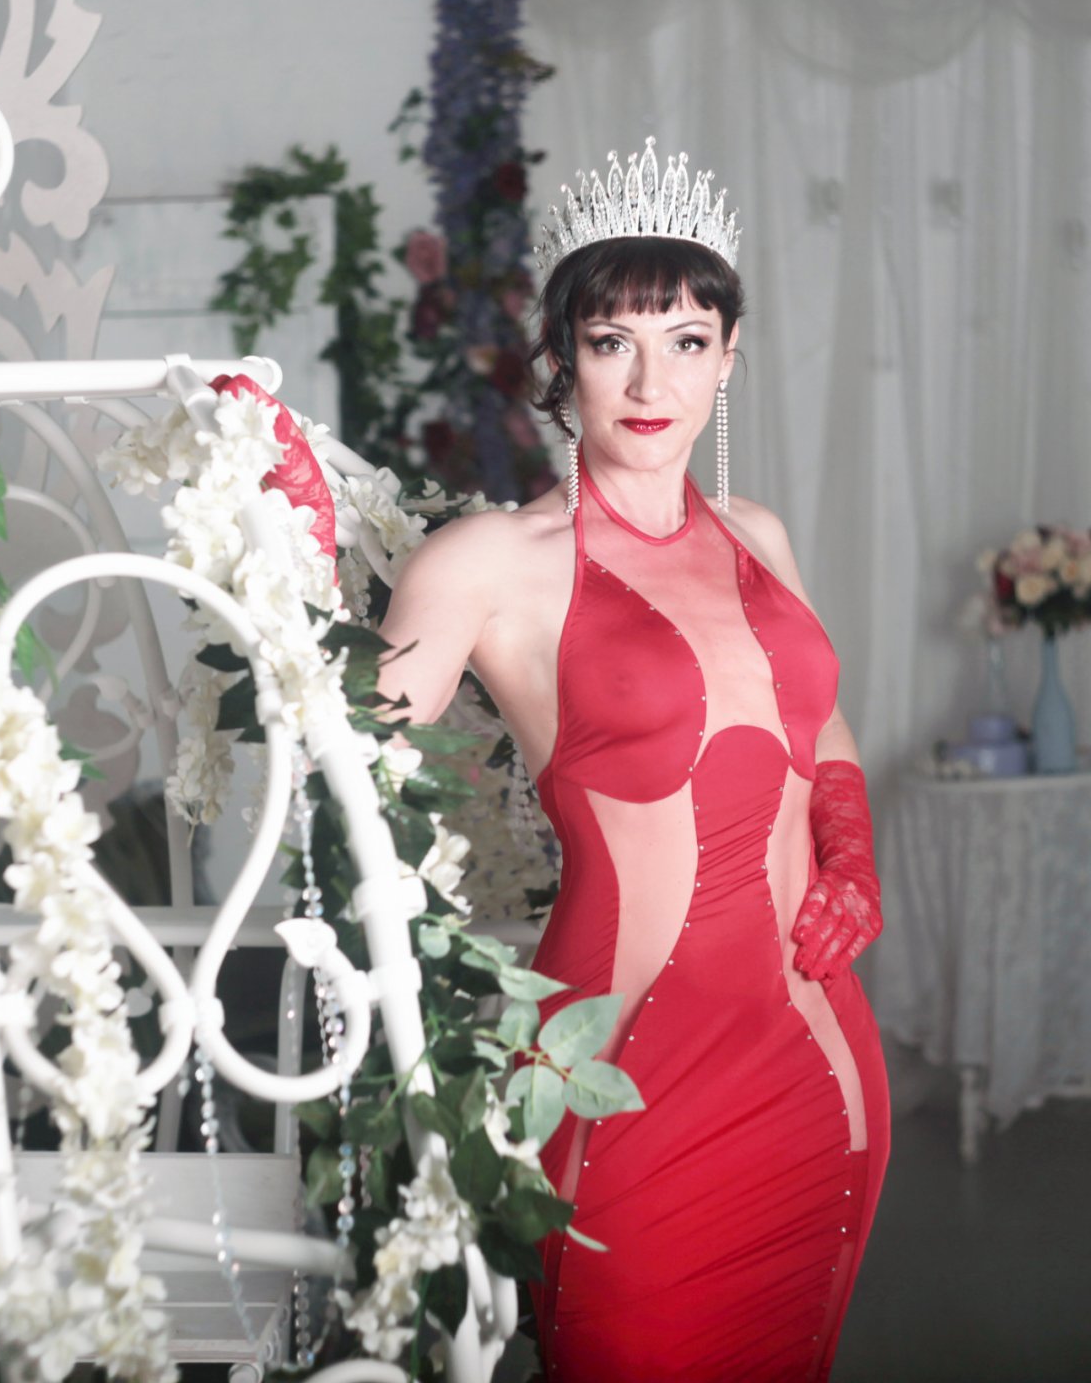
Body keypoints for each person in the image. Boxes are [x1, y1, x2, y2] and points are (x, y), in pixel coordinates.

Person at [375, 141, 889, 1380]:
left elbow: (820, 728)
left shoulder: (758, 535)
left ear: (729, 355)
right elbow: (347, 775)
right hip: (620, 1079)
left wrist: (853, 857)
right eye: (613, 342)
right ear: (564, 360)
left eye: (687, 340)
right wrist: (281, 539)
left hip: (820, 1063)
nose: (652, 381)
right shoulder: (489, 563)